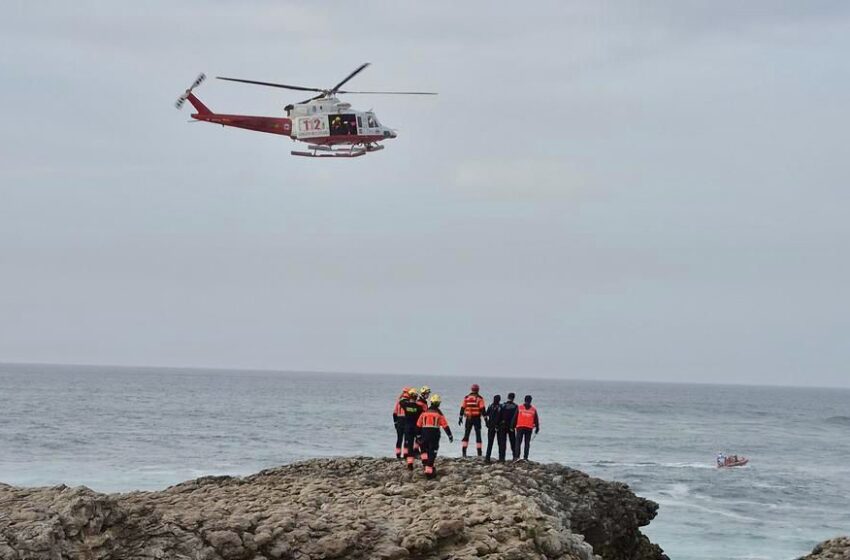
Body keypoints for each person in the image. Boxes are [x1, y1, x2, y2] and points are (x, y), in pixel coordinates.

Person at [416, 394, 454, 478]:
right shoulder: (439, 414)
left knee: (424, 449)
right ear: (438, 403)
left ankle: (425, 464)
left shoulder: (424, 413)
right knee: (432, 452)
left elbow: (418, 425)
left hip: (424, 434)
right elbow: (445, 425)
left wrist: (418, 436)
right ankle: (429, 472)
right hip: (434, 435)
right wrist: (450, 435)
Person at [458, 384, 486, 457]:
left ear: (471, 389)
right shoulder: (479, 398)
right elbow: (483, 409)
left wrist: (460, 417)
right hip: (476, 418)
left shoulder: (466, 398)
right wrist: (486, 420)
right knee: (478, 435)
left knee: (466, 434)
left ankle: (464, 452)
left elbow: (462, 408)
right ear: (478, 390)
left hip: (468, 418)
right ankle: (479, 453)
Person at [399, 389, 423, 470]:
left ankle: (410, 464)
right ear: (416, 398)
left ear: (409, 397)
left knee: (409, 446)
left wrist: (404, 394)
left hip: (408, 428)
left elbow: (400, 401)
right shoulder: (419, 408)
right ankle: (425, 462)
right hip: (416, 428)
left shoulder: (405, 406)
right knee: (421, 444)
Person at [513, 395, 539, 461]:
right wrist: (537, 428)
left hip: (520, 427)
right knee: (527, 443)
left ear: (524, 400)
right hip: (529, 428)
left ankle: (517, 457)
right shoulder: (533, 409)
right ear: (530, 401)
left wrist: (511, 426)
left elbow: (515, 417)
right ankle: (525, 458)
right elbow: (536, 419)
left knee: (518, 442)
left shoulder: (520, 407)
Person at [498, 393, 519, 461]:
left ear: (507, 397)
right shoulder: (516, 407)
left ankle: (502, 457)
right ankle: (515, 456)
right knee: (513, 442)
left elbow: (499, 416)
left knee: (502, 442)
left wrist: (498, 424)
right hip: (511, 426)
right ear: (514, 398)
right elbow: (517, 417)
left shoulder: (502, 405)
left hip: (503, 426)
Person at [484, 394, 502, 462]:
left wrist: (487, 422)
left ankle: (487, 457)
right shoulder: (500, 407)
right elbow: (502, 417)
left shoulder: (491, 406)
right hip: (496, 426)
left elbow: (486, 415)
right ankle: (500, 458)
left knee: (491, 443)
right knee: (499, 443)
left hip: (492, 426)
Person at [392, 387, 409, 459]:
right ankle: (405, 455)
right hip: (406, 421)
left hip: (399, 422)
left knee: (399, 439)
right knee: (406, 439)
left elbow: (394, 413)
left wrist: (395, 423)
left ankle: (398, 455)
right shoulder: (408, 403)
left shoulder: (398, 402)